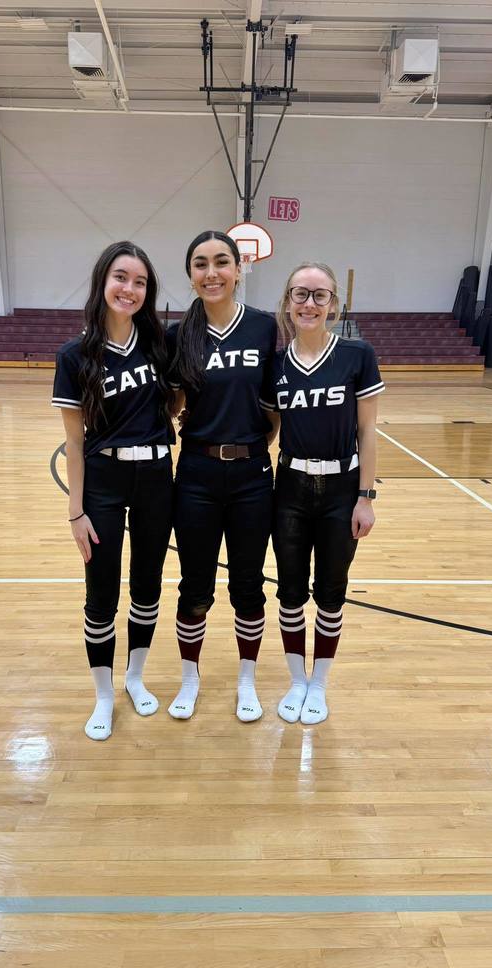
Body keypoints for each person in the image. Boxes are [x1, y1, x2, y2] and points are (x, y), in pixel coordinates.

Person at [52, 241, 175, 740]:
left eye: (140, 282)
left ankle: (135, 677)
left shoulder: (158, 346)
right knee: (100, 594)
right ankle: (103, 694)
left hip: (155, 478)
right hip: (102, 481)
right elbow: (74, 444)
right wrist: (75, 512)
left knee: (147, 586)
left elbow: (177, 403)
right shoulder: (73, 354)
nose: (130, 289)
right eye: (121, 278)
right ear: (103, 282)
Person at [167, 230, 279, 722]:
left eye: (220, 262)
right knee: (195, 586)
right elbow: (170, 403)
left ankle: (246, 680)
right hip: (195, 473)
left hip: (253, 474)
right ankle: (190, 678)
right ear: (190, 275)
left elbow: (275, 405)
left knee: (249, 586)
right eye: (200, 264)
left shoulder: (263, 328)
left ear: (238, 269)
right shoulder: (178, 334)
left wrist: (254, 447)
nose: (211, 272)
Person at [271, 262, 384, 724]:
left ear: (334, 304)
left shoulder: (357, 355)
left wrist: (366, 496)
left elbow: (369, 429)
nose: (310, 304)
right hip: (290, 488)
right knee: (290, 592)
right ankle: (297, 680)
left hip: (341, 488)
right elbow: (269, 428)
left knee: (331, 592)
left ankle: (319, 684)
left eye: (320, 296)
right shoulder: (276, 364)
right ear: (287, 303)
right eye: (301, 294)